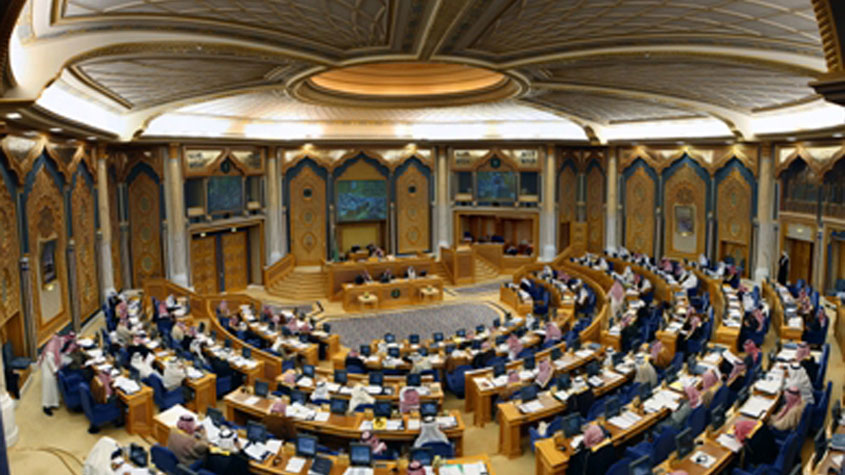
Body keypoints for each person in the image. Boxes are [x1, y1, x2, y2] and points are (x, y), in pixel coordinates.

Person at [40, 334, 65, 416]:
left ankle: (53, 403)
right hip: (48, 371)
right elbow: (50, 361)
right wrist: (55, 370)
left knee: (53, 388)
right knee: (48, 389)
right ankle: (46, 406)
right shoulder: (50, 350)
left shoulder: (53, 345)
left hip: (49, 370)